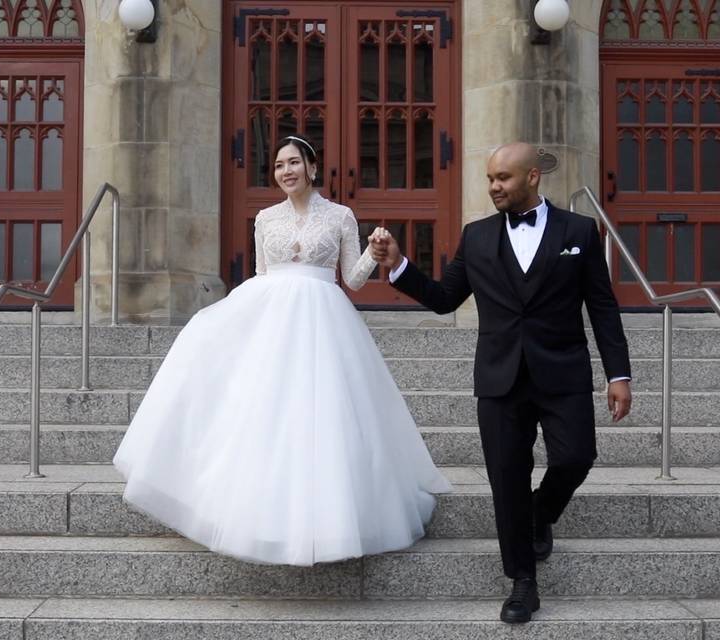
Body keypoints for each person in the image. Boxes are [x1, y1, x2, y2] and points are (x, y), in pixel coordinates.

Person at [114, 134, 451, 566]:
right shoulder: (264, 218)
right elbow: (261, 274)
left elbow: (353, 279)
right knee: (259, 408)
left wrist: (371, 252)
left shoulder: (341, 216)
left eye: (293, 163)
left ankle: (331, 520)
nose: (285, 171)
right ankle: (255, 516)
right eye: (277, 166)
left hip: (325, 317)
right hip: (272, 319)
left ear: (312, 167)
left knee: (325, 416)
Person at [370, 142, 632, 623]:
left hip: (563, 371)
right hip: (499, 378)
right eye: (490, 178)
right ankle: (522, 583)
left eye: (503, 178)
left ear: (532, 177)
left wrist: (619, 373)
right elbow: (445, 298)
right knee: (506, 481)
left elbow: (602, 305)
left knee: (576, 456)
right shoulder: (476, 237)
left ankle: (541, 513)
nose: (493, 186)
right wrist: (399, 266)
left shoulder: (580, 231)